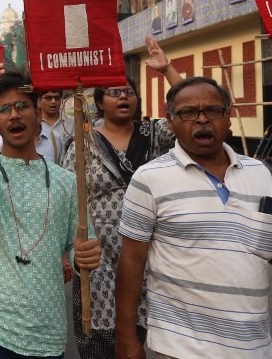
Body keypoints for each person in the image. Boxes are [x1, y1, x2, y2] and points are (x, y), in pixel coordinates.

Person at [0, 65, 101, 358]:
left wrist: (84, 257)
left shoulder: (66, 182)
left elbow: (79, 245)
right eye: (3, 110)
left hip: (45, 329)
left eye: (22, 106)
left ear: (37, 114)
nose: (13, 115)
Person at [116, 76, 272, 359]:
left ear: (228, 119)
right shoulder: (149, 178)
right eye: (188, 113)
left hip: (254, 345)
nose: (202, 120)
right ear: (171, 122)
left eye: (213, 111)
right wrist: (126, 338)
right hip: (180, 346)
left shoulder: (261, 173)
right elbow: (131, 261)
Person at [61, 75, 177, 358]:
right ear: (99, 102)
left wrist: (168, 70)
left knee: (147, 332)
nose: (123, 97)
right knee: (98, 338)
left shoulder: (154, 135)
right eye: (114, 92)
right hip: (99, 254)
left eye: (129, 91)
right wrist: (67, 252)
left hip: (150, 249)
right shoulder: (82, 142)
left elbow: (186, 115)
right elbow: (67, 201)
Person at [39, 89, 72, 163]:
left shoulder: (73, 123)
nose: (53, 101)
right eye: (48, 98)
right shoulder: (34, 125)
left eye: (57, 98)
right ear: (39, 101)